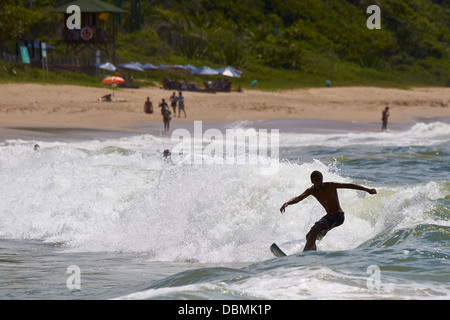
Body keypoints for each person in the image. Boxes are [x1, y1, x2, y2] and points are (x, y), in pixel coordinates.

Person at [280, 170, 377, 251]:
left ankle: (305, 255)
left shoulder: (330, 186)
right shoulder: (311, 190)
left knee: (314, 231)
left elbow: (349, 185)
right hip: (330, 217)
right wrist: (287, 203)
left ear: (322, 179)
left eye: (320, 180)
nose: (319, 183)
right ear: (312, 181)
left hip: (338, 215)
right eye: (316, 181)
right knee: (309, 236)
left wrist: (368, 190)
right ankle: (312, 254)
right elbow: (299, 198)